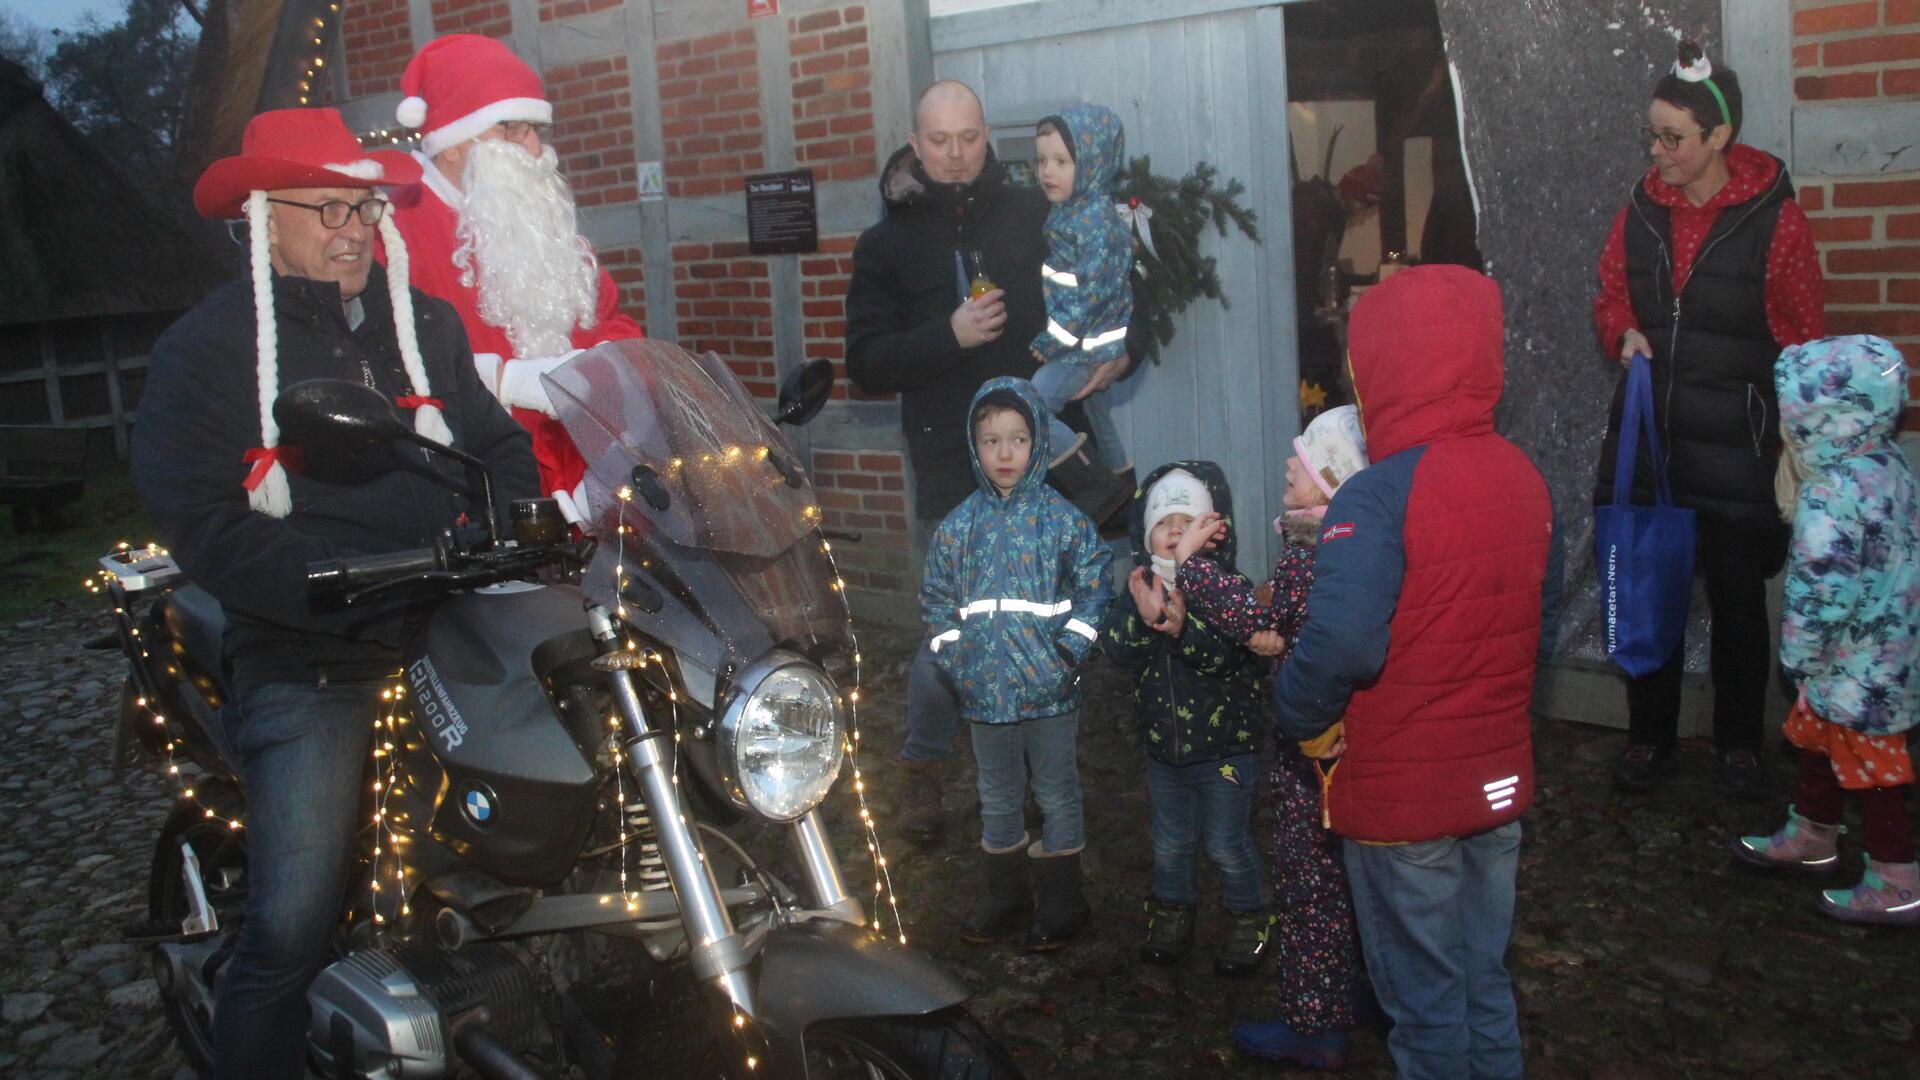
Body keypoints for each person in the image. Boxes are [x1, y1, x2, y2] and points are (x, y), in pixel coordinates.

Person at [132, 107, 539, 1080]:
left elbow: (499, 445)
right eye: (328, 210)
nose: (354, 228)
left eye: (363, 207)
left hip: (449, 619)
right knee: (291, 922)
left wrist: (521, 521)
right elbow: (198, 515)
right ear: (263, 218)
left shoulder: (424, 324)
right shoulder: (210, 347)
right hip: (311, 651)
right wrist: (315, 584)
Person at [1274, 265, 1557, 1080]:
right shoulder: (1523, 476)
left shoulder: (1377, 495)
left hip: (1404, 802)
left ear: (1383, 366)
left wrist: (1292, 709)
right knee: (1483, 980)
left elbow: (1345, 645)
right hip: (1497, 781)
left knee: (1425, 1007)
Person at [845, 79, 1128, 843]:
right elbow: (865, 361)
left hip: (1042, 457)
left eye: (970, 137)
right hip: (948, 463)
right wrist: (949, 334)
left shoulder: (1040, 213)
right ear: (914, 140)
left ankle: (1040, 781)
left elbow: (1096, 299)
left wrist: (1115, 351)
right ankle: (923, 773)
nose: (958, 154)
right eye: (940, 141)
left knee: (1043, 620)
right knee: (953, 632)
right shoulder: (885, 244)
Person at [1591, 40, 1825, 798]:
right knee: (1649, 595)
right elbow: (1611, 293)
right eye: (1651, 136)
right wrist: (1621, 331)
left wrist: (1789, 431)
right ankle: (1648, 738)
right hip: (1654, 445)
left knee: (1736, 605)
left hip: (1739, 447)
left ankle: (1737, 744)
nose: (1657, 152)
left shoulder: (1775, 220)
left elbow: (1804, 333)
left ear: (1718, 137)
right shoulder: (1639, 213)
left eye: (1673, 138)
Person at [1154, 408, 1370, 1069]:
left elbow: (1257, 615)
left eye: (1303, 462)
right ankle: (1359, 994)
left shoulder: (1315, 555)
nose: (1287, 465)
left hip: (1312, 750)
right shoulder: (1343, 542)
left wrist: (1191, 566)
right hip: (1339, 743)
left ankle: (1314, 1023)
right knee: (1348, 881)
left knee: (1308, 886)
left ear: (1332, 480)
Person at [385, 32, 644, 526]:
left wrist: (610, 366)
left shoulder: (539, 219)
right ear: (454, 144)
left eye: (534, 130)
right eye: (512, 130)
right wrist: (507, 380)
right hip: (474, 494)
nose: (535, 147)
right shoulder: (394, 233)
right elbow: (386, 367)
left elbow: (611, 318)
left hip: (585, 487)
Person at [1735, 335, 1920, 926]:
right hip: (1889, 644)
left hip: (1851, 656)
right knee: (1819, 737)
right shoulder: (1889, 466)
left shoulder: (1832, 493)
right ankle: (1813, 832)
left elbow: (1822, 586)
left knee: (1873, 768)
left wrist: (1799, 652)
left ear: (1822, 416)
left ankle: (1897, 878)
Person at [922, 377, 1110, 951]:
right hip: (985, 694)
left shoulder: (1064, 522)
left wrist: (1068, 652)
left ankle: (1063, 899)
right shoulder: (958, 527)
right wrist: (958, 659)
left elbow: (1096, 587)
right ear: (973, 447)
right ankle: (1005, 893)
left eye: (1018, 439)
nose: (1005, 454)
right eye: (991, 441)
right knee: (997, 792)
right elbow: (936, 601)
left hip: (1049, 690)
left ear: (1039, 444)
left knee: (1055, 791)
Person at [1103, 463, 1271, 976]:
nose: (1175, 530)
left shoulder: (1228, 588)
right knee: (1170, 842)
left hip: (1227, 749)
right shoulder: (1138, 586)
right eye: (1163, 521)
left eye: (1187, 520)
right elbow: (1117, 651)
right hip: (1164, 750)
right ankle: (1173, 911)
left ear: (1213, 530)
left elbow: (1229, 655)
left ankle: (1248, 916)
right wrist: (1144, 617)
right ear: (1144, 533)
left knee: (1226, 842)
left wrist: (1180, 631)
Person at [1029, 104, 1136, 522]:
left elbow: (1090, 291)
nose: (1046, 172)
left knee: (1033, 405)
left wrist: (1053, 337)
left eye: (1061, 161)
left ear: (1092, 163)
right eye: (1041, 160)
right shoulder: (1072, 211)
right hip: (1089, 339)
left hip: (1084, 345)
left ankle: (1095, 485)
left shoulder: (1094, 223)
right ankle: (1122, 480)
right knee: (1097, 411)